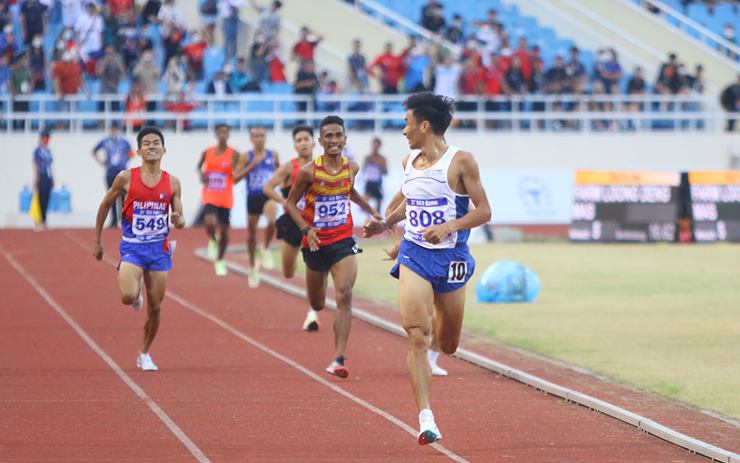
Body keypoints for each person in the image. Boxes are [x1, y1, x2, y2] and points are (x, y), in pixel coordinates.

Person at [364, 93, 491, 445]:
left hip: (451, 259)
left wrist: (449, 227)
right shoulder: (408, 160)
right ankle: (425, 418)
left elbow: (484, 211)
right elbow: (411, 201)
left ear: (424, 125)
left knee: (448, 344)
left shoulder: (461, 161)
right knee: (416, 335)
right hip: (415, 255)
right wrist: (384, 223)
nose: (403, 130)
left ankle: (438, 319)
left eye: (407, 123)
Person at [285, 115, 381, 377]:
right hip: (314, 243)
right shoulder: (309, 172)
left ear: (345, 139)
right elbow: (291, 204)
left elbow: (348, 191)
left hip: (342, 240)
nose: (334, 140)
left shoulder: (352, 168)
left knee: (344, 294)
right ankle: (315, 309)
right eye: (328, 136)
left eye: (338, 135)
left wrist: (371, 209)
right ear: (320, 141)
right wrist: (306, 229)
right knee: (316, 303)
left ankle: (338, 358)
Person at [92, 126, 186, 371]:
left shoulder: (173, 183)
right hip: (133, 247)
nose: (152, 146)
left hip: (159, 250)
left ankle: (144, 353)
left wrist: (179, 220)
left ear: (164, 150)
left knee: (155, 308)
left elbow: (180, 216)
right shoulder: (125, 178)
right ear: (138, 150)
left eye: (156, 142)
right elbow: (104, 205)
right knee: (128, 297)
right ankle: (135, 289)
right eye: (147, 143)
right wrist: (97, 240)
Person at [262, 124, 314, 279]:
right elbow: (268, 188)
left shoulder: (320, 166)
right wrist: (285, 202)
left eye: (306, 139)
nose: (303, 143)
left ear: (314, 142)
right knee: (288, 272)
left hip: (313, 222)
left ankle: (313, 301)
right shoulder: (289, 167)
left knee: (315, 268)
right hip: (291, 222)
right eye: (299, 140)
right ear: (295, 145)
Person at [196, 124, 249, 275]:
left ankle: (220, 260)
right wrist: (201, 174)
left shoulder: (234, 153)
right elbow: (198, 166)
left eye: (225, 132)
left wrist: (236, 168)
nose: (223, 135)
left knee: (225, 231)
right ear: (216, 134)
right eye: (220, 132)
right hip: (210, 193)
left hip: (225, 195)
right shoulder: (208, 152)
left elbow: (239, 171)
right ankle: (213, 238)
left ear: (229, 134)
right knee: (210, 223)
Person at [236, 126, 280, 287]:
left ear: (265, 137)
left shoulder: (273, 155)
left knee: (273, 221)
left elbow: (279, 173)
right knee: (252, 235)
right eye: (256, 136)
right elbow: (234, 178)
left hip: (267, 195)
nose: (259, 139)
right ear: (251, 139)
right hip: (253, 197)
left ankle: (266, 248)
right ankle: (252, 266)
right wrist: (250, 166)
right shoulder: (245, 157)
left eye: (262, 135)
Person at [92, 122, 134, 227]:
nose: (114, 131)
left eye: (116, 129)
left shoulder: (124, 142)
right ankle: (114, 220)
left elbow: (132, 153)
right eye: (113, 129)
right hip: (110, 172)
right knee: (111, 197)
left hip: (122, 173)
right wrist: (101, 162)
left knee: (124, 197)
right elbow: (94, 150)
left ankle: (124, 219)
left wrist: (126, 160)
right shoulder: (106, 141)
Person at [33, 129, 54, 231]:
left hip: (48, 176)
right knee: (40, 199)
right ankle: (39, 221)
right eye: (45, 138)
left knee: (46, 199)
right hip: (41, 175)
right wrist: (36, 177)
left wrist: (53, 178)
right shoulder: (38, 151)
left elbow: (50, 165)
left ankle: (44, 221)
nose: (47, 140)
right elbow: (35, 164)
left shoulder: (48, 151)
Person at [362, 138, 387, 213]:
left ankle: (377, 217)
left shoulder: (382, 159)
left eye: (377, 145)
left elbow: (385, 172)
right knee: (364, 202)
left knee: (379, 203)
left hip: (377, 183)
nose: (375, 147)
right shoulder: (368, 158)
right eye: (374, 145)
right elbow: (363, 169)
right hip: (369, 182)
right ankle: (368, 214)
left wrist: (380, 165)